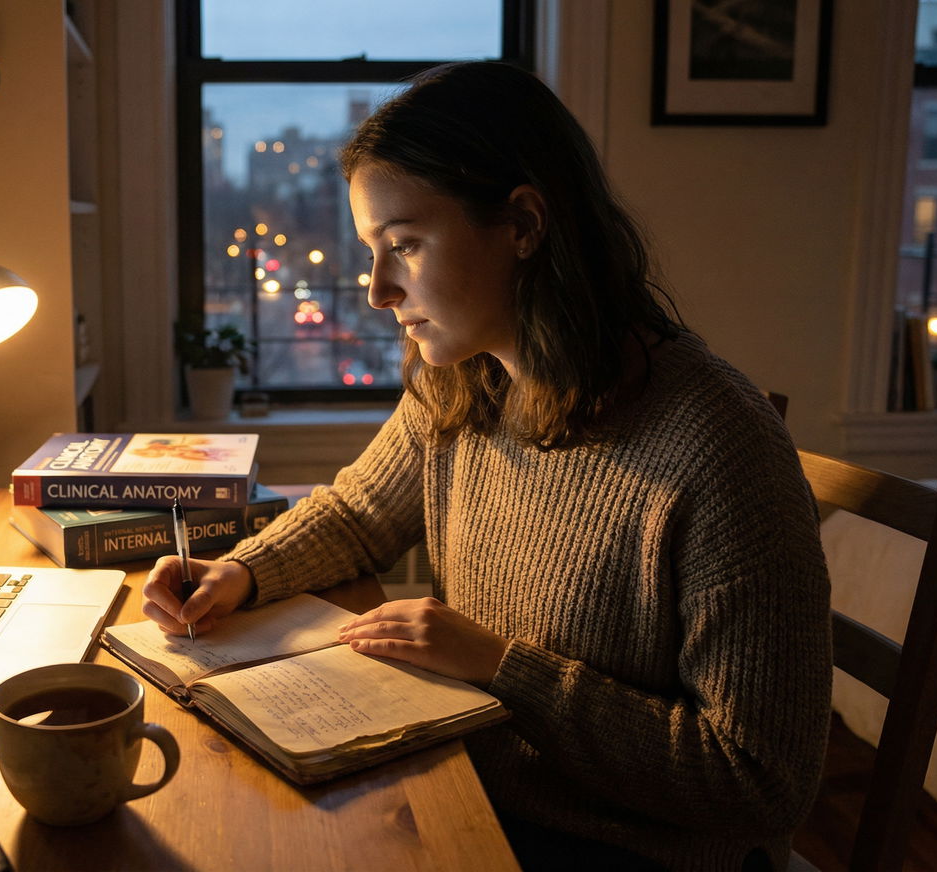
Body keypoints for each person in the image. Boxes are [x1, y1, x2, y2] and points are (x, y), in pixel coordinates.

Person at [142, 61, 830, 871]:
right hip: (476, 791)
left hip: (626, 849)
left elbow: (759, 780)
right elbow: (361, 513)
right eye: (373, 249)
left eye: (403, 244)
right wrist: (240, 573)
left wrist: (503, 669)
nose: (376, 291)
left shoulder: (718, 445)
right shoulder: (465, 382)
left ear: (524, 224)